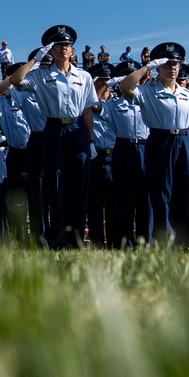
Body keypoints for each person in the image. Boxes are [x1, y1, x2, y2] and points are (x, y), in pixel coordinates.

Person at [10, 25, 97, 249]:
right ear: (51, 50)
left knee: (79, 186)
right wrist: (36, 59)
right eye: (57, 45)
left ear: (72, 51)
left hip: (77, 130)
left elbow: (88, 110)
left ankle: (76, 239)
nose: (62, 49)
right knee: (56, 186)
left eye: (66, 45)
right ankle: (58, 238)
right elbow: (15, 81)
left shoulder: (84, 76)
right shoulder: (40, 75)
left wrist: (91, 140)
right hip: (54, 129)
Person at [119, 42, 189, 248]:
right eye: (166, 64)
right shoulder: (148, 91)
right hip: (160, 141)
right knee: (161, 194)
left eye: (175, 64)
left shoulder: (188, 96)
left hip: (184, 141)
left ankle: (186, 244)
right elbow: (125, 86)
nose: (172, 68)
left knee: (186, 194)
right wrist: (147, 66)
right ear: (159, 67)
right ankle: (163, 241)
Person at [106, 60, 151, 247]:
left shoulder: (148, 99)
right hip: (123, 148)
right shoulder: (114, 103)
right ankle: (125, 243)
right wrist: (111, 82)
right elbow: (94, 99)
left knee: (145, 199)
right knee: (125, 198)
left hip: (145, 147)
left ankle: (145, 241)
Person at [0, 63, 34, 246]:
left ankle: (39, 240)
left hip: (34, 151)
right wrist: (11, 79)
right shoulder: (3, 100)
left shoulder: (33, 96)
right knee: (17, 202)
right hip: (16, 154)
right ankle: (21, 242)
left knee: (37, 199)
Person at [88, 61, 117, 248]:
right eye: (101, 79)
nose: (105, 82)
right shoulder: (88, 101)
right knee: (95, 204)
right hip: (95, 156)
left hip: (115, 155)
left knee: (115, 203)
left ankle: (115, 242)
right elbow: (91, 106)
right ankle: (97, 243)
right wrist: (99, 89)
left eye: (107, 79)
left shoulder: (117, 102)